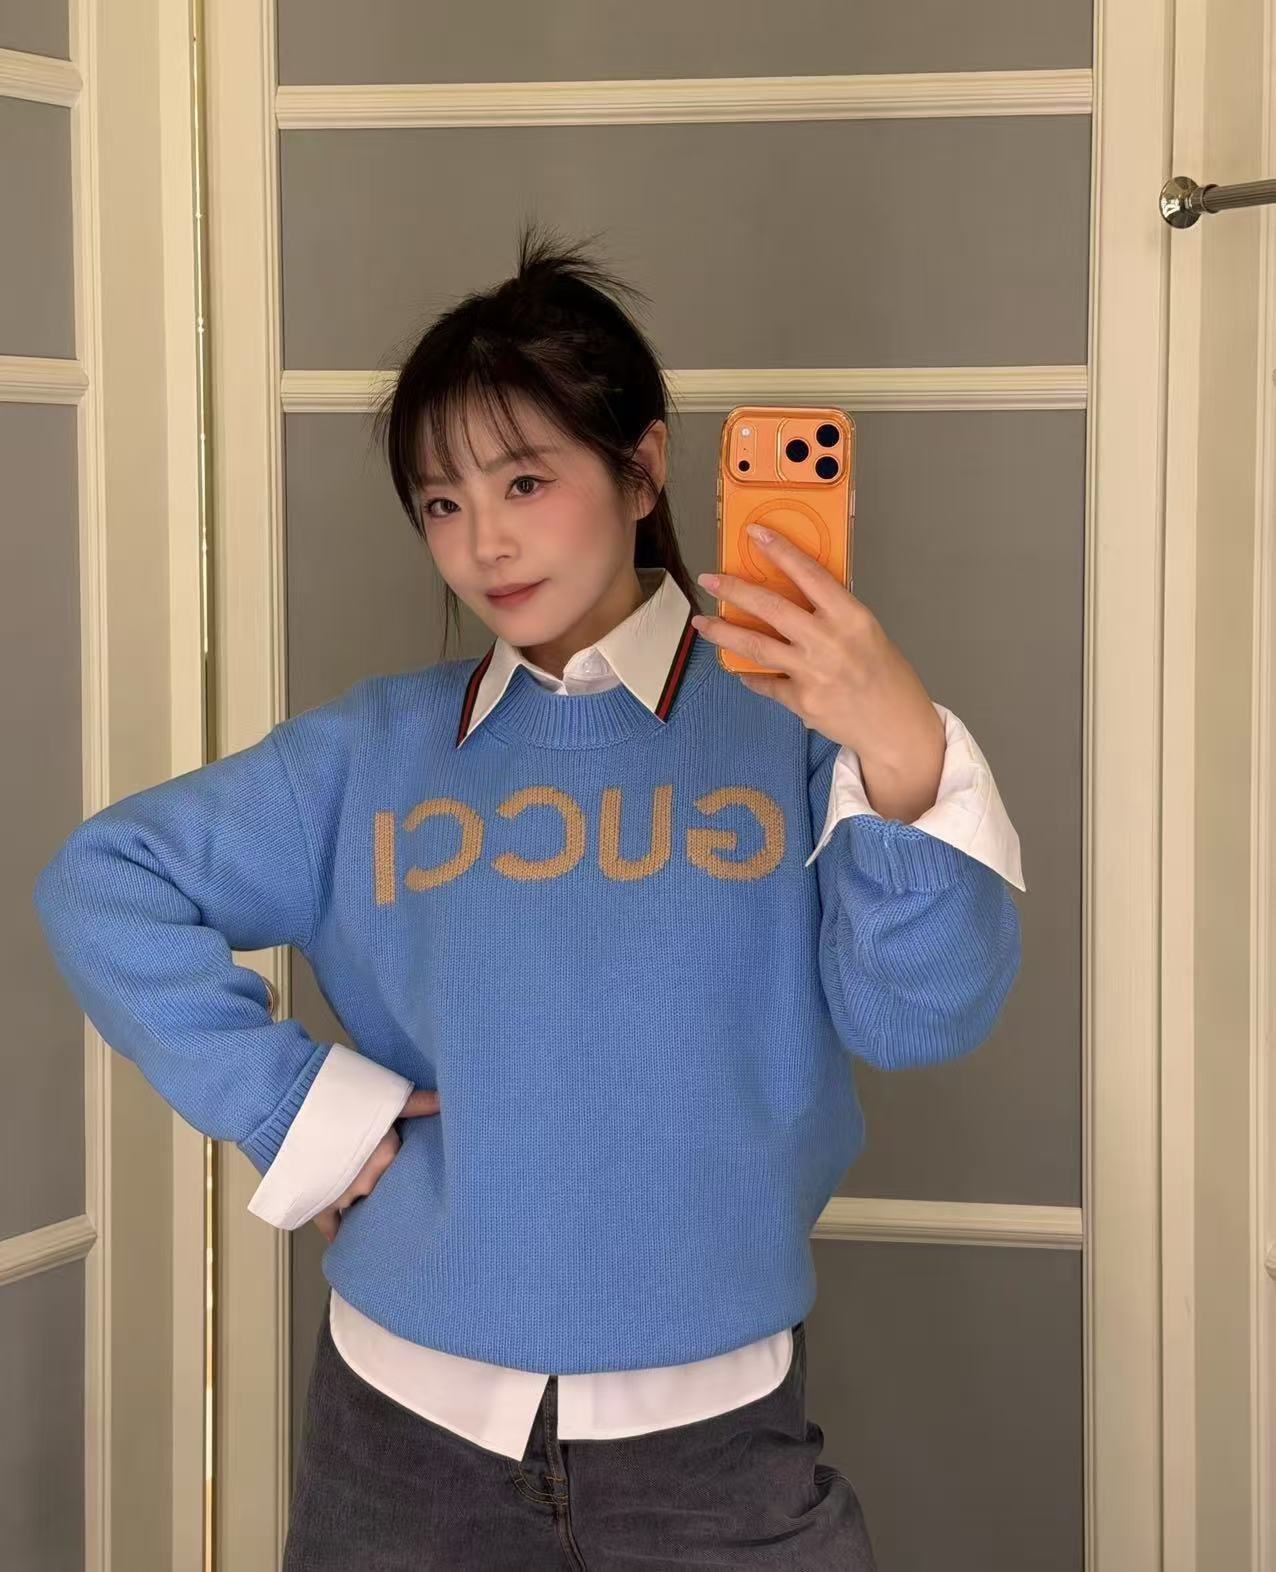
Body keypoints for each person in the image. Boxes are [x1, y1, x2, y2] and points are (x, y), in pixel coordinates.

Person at [33, 220, 1025, 1570]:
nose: (483, 543)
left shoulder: (798, 734)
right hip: (399, 1441)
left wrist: (902, 747)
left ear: (642, 467)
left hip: (716, 1449)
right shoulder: (373, 750)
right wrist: (295, 1108)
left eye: (523, 482)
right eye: (442, 504)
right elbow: (103, 881)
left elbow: (919, 1020)